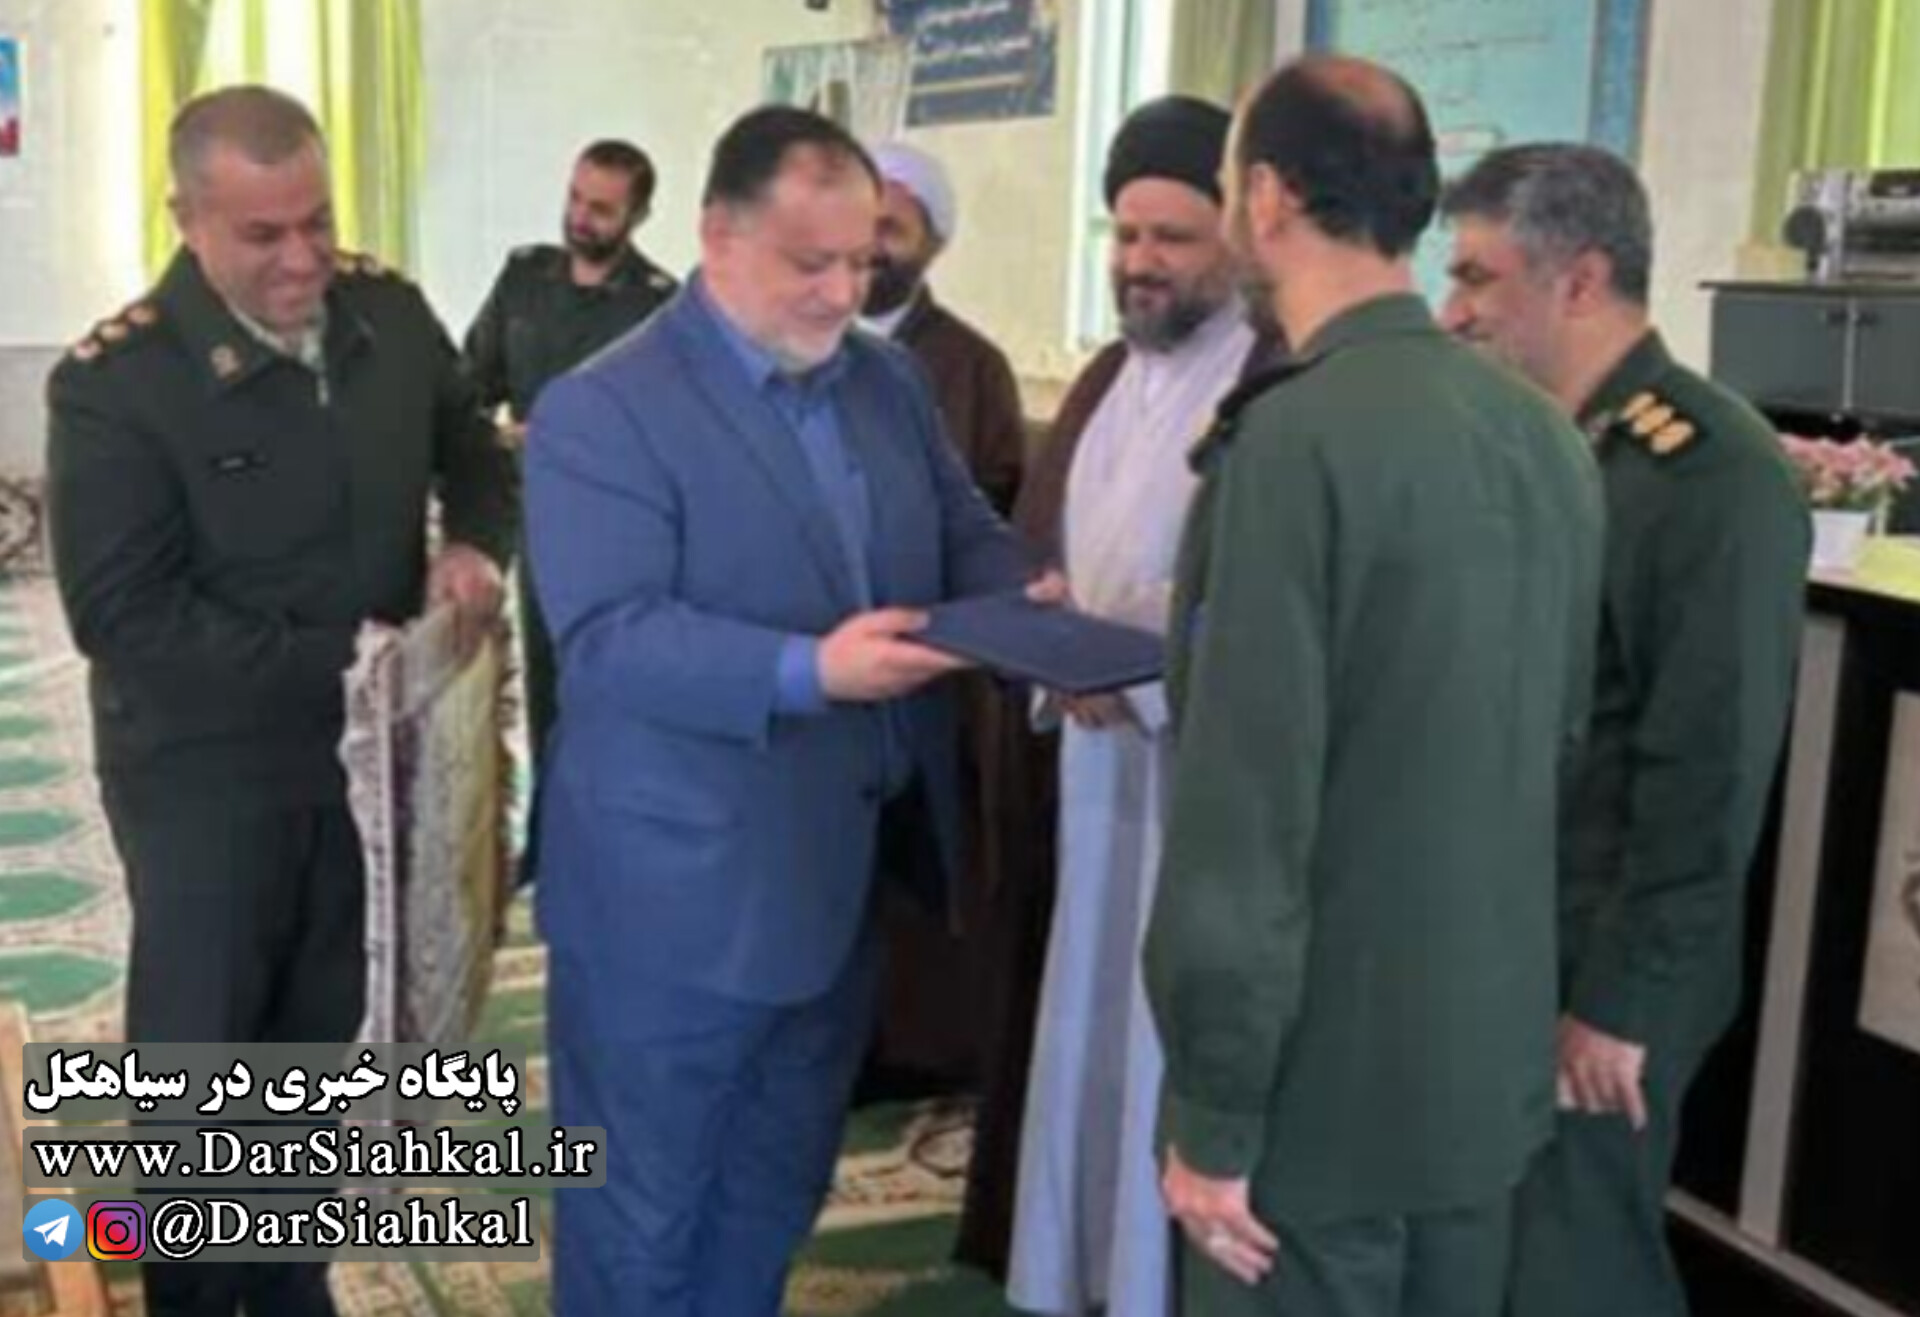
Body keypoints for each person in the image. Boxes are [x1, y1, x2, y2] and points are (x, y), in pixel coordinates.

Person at [524, 105, 1038, 1317]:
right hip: (670, 902)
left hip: (839, 880)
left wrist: (1035, 612)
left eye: (861, 260)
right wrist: (811, 672)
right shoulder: (605, 408)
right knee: (641, 1216)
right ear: (717, 237)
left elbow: (963, 531)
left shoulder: (886, 378)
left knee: (773, 1185)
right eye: (812, 263)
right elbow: (609, 639)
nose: (842, 293)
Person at [1142, 57, 1605, 1317]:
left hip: (1315, 1106)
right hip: (1476, 1085)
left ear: (1268, 198)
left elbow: (1245, 827)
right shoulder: (1545, 434)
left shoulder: (1292, 442)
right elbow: (1555, 751)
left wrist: (1215, 1113)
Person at [45, 85, 515, 1317]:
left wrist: (476, 540)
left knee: (320, 1033)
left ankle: (291, 1278)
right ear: (187, 219)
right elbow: (126, 620)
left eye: (318, 221)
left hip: (366, 771)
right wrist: (345, 661)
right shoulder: (120, 384)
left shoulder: (388, 316)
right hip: (203, 777)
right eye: (263, 234)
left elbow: (472, 442)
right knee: (208, 1056)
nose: (302, 258)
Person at [1439, 143, 1810, 1317]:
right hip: (1510, 935)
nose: (1453, 311)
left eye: (1478, 278)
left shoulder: (1709, 472)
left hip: (1602, 952)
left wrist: (1624, 1000)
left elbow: (1707, 766)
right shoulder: (1533, 444)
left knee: (1572, 1262)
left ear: (1582, 280)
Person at [1004, 93, 1265, 1317]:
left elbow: (1254, 602)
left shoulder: (1270, 380)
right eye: (1127, 234)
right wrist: (1054, 631)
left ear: (1237, 239)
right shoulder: (1113, 372)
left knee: (1163, 1031)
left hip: (1194, 785)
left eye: (1173, 236)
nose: (1142, 261)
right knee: (1090, 1024)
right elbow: (1050, 549)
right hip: (1092, 768)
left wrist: (1139, 672)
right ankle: (1085, 1273)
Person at [853, 138, 1034, 1099]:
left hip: (931, 662)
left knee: (919, 863)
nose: (874, 242)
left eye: (895, 226)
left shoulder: (971, 366)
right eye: (865, 221)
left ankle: (915, 1050)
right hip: (823, 661)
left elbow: (999, 505)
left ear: (932, 242)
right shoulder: (802, 339)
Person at [464, 139, 677, 794]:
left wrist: (566, 439)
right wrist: (491, 439)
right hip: (537, 521)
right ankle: (551, 832)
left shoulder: (658, 307)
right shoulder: (525, 278)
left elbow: (668, 439)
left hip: (618, 537)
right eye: (576, 199)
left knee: (613, 700)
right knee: (547, 695)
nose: (581, 218)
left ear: (637, 216)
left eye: (602, 209)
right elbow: (467, 387)